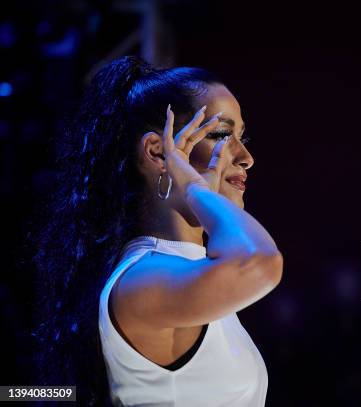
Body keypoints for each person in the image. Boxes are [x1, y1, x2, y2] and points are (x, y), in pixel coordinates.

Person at [32, 55, 283, 406]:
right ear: (158, 152)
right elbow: (261, 263)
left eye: (242, 137)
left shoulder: (185, 271)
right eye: (222, 134)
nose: (245, 157)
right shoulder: (143, 279)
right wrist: (193, 186)